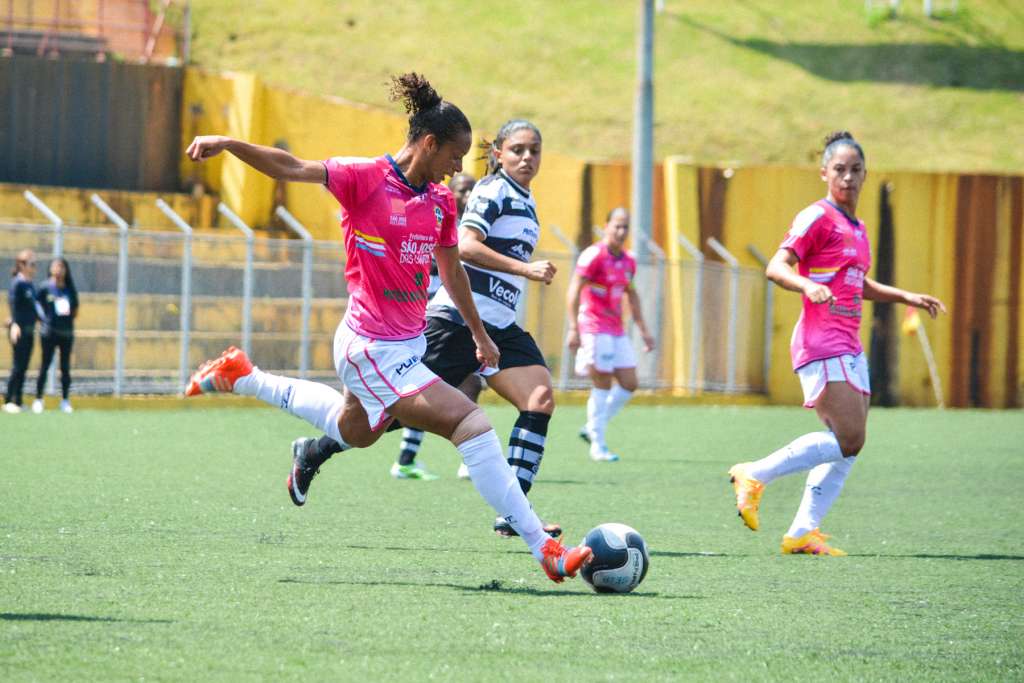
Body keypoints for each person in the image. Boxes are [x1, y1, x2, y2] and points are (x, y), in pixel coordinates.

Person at [183, 73, 592, 583]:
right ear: (428, 143)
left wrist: (482, 336)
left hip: (406, 345)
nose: (459, 168)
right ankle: (544, 548)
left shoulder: (442, 202)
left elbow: (452, 271)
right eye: (454, 155)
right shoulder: (365, 177)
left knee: (356, 431)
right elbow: (291, 167)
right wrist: (228, 143)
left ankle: (243, 374)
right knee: (471, 424)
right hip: (368, 346)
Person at [727, 131, 946, 556]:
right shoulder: (817, 216)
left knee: (849, 446)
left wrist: (904, 296)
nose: (848, 177)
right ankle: (754, 473)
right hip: (821, 340)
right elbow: (777, 266)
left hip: (848, 344)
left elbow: (854, 282)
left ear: (865, 173)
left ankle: (802, 532)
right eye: (839, 169)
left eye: (855, 169)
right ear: (824, 172)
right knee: (849, 438)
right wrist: (806, 286)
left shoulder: (857, 227)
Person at [389, 171, 485, 481]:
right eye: (462, 190)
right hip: (428, 318)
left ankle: (422, 457)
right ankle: (332, 435)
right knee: (420, 392)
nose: (467, 196)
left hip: (449, 320)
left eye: (472, 190)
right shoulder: (432, 218)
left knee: (467, 382)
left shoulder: (470, 231)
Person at [566, 207, 655, 462]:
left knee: (629, 382)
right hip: (593, 326)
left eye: (625, 227)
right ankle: (598, 444)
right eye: (616, 225)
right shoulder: (593, 255)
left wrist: (644, 330)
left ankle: (592, 427)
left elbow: (632, 294)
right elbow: (574, 290)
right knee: (602, 381)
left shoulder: (628, 260)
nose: (621, 231)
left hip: (616, 327)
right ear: (605, 226)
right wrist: (574, 327)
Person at [33, 257, 79, 414]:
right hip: (49, 333)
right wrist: (43, 318)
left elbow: (75, 310)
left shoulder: (69, 289)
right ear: (50, 269)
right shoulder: (45, 287)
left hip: (66, 333)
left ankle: (65, 400)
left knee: (65, 368)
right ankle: (38, 399)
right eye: (56, 266)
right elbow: (36, 303)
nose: (59, 270)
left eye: (62, 267)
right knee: (45, 365)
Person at [4, 250, 40, 414]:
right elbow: (13, 304)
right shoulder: (17, 283)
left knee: (24, 365)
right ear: (21, 265)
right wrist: (14, 324)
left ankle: (18, 400)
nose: (34, 267)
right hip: (18, 329)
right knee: (17, 365)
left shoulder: (30, 283)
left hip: (29, 329)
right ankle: (8, 400)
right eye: (31, 264)